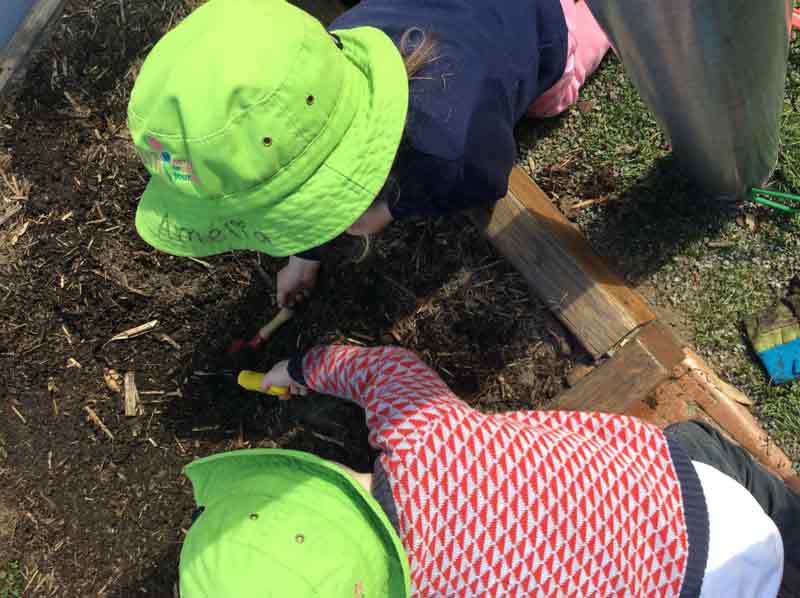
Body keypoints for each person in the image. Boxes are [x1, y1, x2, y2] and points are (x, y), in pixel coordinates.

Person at [177, 344, 799, 597]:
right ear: (310, 472)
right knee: (691, 442)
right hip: (702, 489)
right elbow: (385, 368)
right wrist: (304, 367)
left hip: (712, 590)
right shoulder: (421, 435)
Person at [127, 0, 611, 308]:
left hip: (536, 20)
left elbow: (487, 179)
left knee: (553, 95)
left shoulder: (451, 150)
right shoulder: (325, 60)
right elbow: (297, 157)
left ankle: (591, 18)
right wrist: (304, 256)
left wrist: (390, 208)